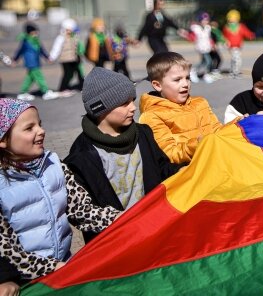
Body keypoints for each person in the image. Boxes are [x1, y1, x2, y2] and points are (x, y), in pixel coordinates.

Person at [0, 99, 119, 284]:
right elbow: (7, 250)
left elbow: (83, 212)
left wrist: (122, 218)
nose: (41, 131)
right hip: (24, 280)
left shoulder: (54, 165)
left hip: (63, 268)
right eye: (29, 128)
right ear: (2, 140)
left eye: (39, 124)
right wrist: (54, 268)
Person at [64, 68, 181, 243]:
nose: (133, 108)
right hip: (116, 241)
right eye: (124, 103)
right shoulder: (81, 156)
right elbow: (84, 211)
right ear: (101, 108)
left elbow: (163, 168)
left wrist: (185, 171)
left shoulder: (143, 134)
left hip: (154, 230)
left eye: (132, 101)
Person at [138, 52, 223, 164]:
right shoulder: (152, 115)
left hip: (215, 163)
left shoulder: (200, 103)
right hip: (188, 173)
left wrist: (238, 125)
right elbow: (169, 154)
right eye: (177, 80)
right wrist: (197, 145)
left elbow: (218, 130)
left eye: (187, 78)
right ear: (158, 85)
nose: (185, 84)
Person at [13, 23, 57, 101]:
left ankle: (23, 93)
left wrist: (47, 57)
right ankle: (45, 91)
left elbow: (42, 50)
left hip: (36, 61)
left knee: (30, 78)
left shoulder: (37, 40)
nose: (36, 33)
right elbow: (19, 51)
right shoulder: (25, 41)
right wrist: (15, 59)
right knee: (39, 76)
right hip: (30, 62)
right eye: (34, 32)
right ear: (30, 32)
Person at [49, 18, 85, 93]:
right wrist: (52, 57)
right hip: (65, 60)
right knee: (67, 74)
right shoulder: (61, 38)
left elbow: (78, 46)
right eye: (69, 29)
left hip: (73, 59)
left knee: (79, 73)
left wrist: (80, 53)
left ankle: (82, 87)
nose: (71, 31)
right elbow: (56, 48)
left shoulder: (74, 37)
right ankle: (62, 89)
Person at [222, 9, 255, 78]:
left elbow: (246, 32)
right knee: (237, 59)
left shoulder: (240, 26)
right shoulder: (227, 27)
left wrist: (250, 35)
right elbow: (224, 36)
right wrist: (224, 42)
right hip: (231, 46)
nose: (233, 20)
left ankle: (233, 71)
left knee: (234, 58)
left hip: (238, 46)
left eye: (234, 19)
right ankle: (235, 72)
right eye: (231, 19)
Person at [189, 12, 216, 84]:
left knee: (203, 62)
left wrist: (212, 45)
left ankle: (193, 71)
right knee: (208, 61)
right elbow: (191, 37)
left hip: (207, 47)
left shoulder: (208, 28)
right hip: (201, 48)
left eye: (207, 20)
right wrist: (189, 36)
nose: (205, 22)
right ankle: (205, 74)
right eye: (203, 20)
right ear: (200, 20)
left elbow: (209, 38)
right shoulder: (196, 29)